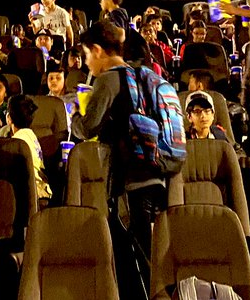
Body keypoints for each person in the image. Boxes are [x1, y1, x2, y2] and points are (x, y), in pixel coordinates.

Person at [71, 21, 170, 300]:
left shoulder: (108, 79)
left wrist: (76, 116)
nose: (87, 62)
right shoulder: (142, 75)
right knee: (148, 252)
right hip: (154, 174)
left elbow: (88, 128)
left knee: (133, 259)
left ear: (98, 50)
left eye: (87, 55)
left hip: (128, 180)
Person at [7, 94, 50, 201]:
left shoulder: (17, 141)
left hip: (32, 195)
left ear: (9, 118)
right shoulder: (30, 135)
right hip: (42, 192)